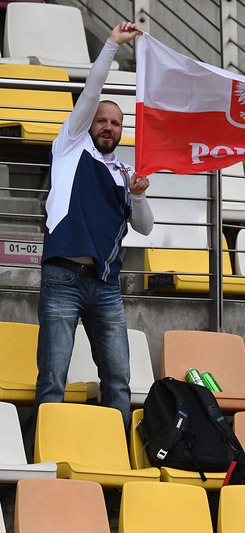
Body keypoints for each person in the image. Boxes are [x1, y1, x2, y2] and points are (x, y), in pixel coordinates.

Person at [34, 22, 153, 435]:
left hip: (105, 286)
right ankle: (43, 456)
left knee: (119, 381)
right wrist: (110, 47)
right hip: (62, 278)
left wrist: (137, 195)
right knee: (53, 380)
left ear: (122, 131)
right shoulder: (69, 146)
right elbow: (90, 93)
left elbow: (146, 227)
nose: (107, 127)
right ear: (88, 124)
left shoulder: (125, 172)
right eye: (101, 120)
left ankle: (115, 457)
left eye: (115, 123)